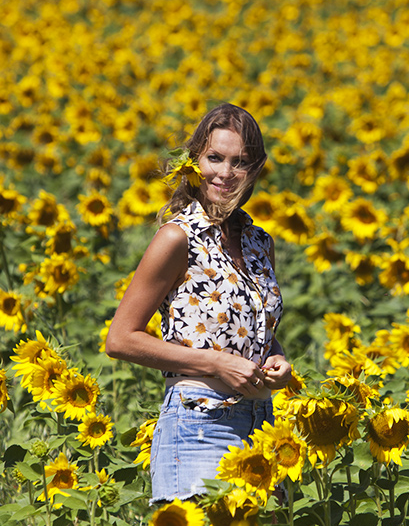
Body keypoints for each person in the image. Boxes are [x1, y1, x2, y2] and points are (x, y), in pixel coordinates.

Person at [105, 103, 291, 503]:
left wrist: (277, 359)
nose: (225, 173)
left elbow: (256, 333)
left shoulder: (260, 243)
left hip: (262, 426)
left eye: (239, 162)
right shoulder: (177, 238)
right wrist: (216, 363)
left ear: (255, 169)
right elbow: (120, 339)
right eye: (214, 158)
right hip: (199, 424)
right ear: (193, 162)